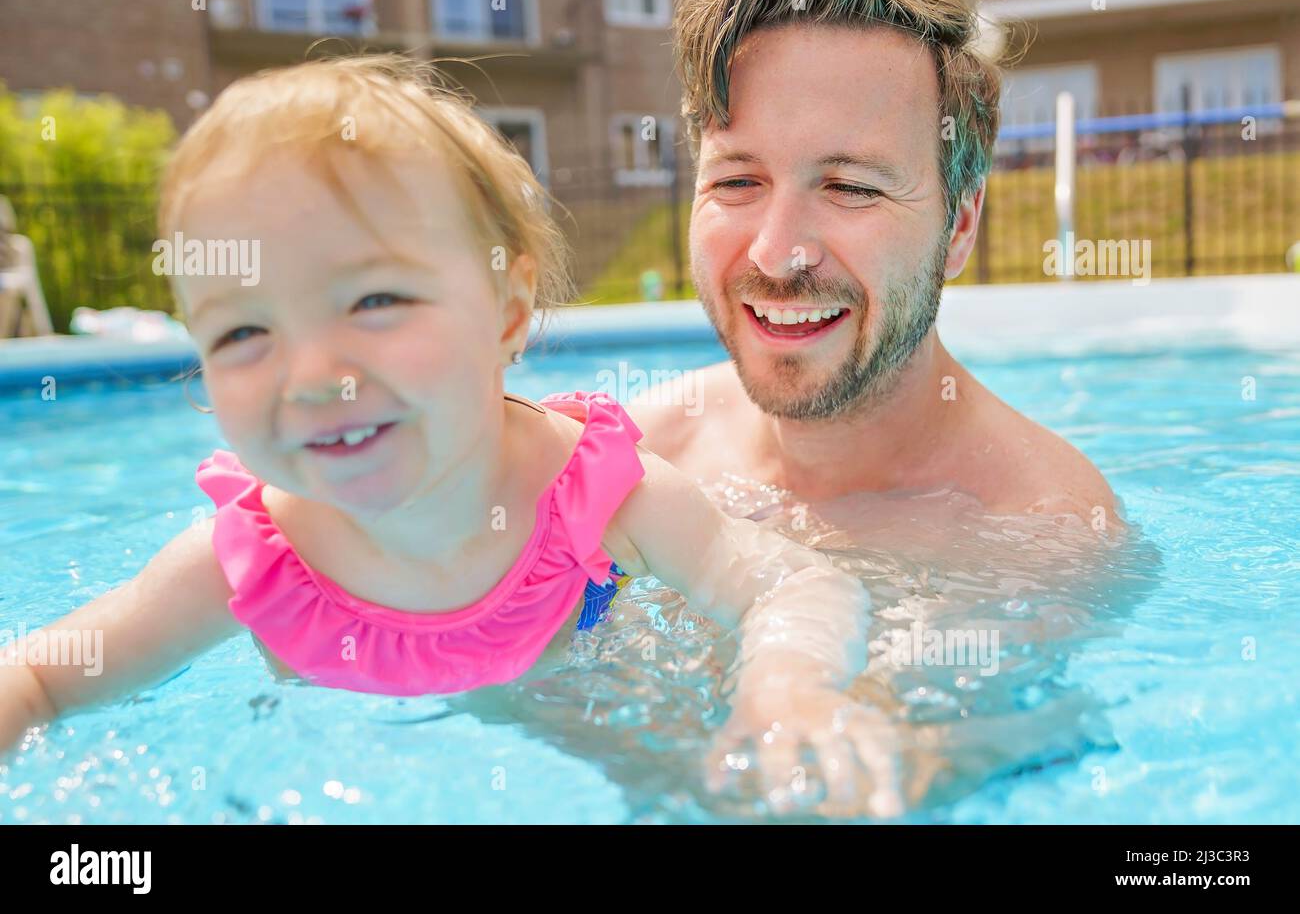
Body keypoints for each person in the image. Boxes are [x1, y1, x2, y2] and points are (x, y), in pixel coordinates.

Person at [0, 56, 900, 816]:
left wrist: (786, 687)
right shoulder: (245, 562)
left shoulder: (598, 495)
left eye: (375, 301)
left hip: (589, 732)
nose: (314, 375)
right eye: (242, 333)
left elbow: (788, 583)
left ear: (508, 311)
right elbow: (41, 678)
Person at [632, 0, 1117, 528]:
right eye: (737, 181)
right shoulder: (638, 463)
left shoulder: (1044, 533)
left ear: (959, 225)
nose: (777, 252)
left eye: (851, 187)